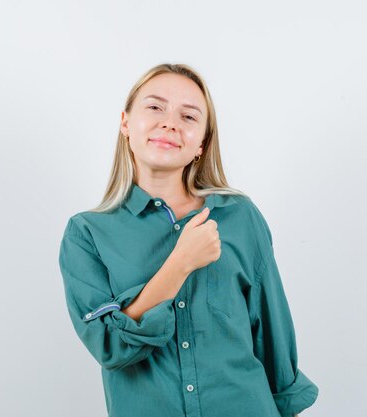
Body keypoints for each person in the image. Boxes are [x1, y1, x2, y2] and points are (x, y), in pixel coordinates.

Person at [58, 63, 319, 417]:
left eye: (189, 116)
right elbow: (111, 347)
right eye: (155, 107)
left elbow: (272, 336)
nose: (170, 123)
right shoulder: (87, 234)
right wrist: (180, 264)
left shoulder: (239, 217)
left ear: (201, 143)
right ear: (125, 124)